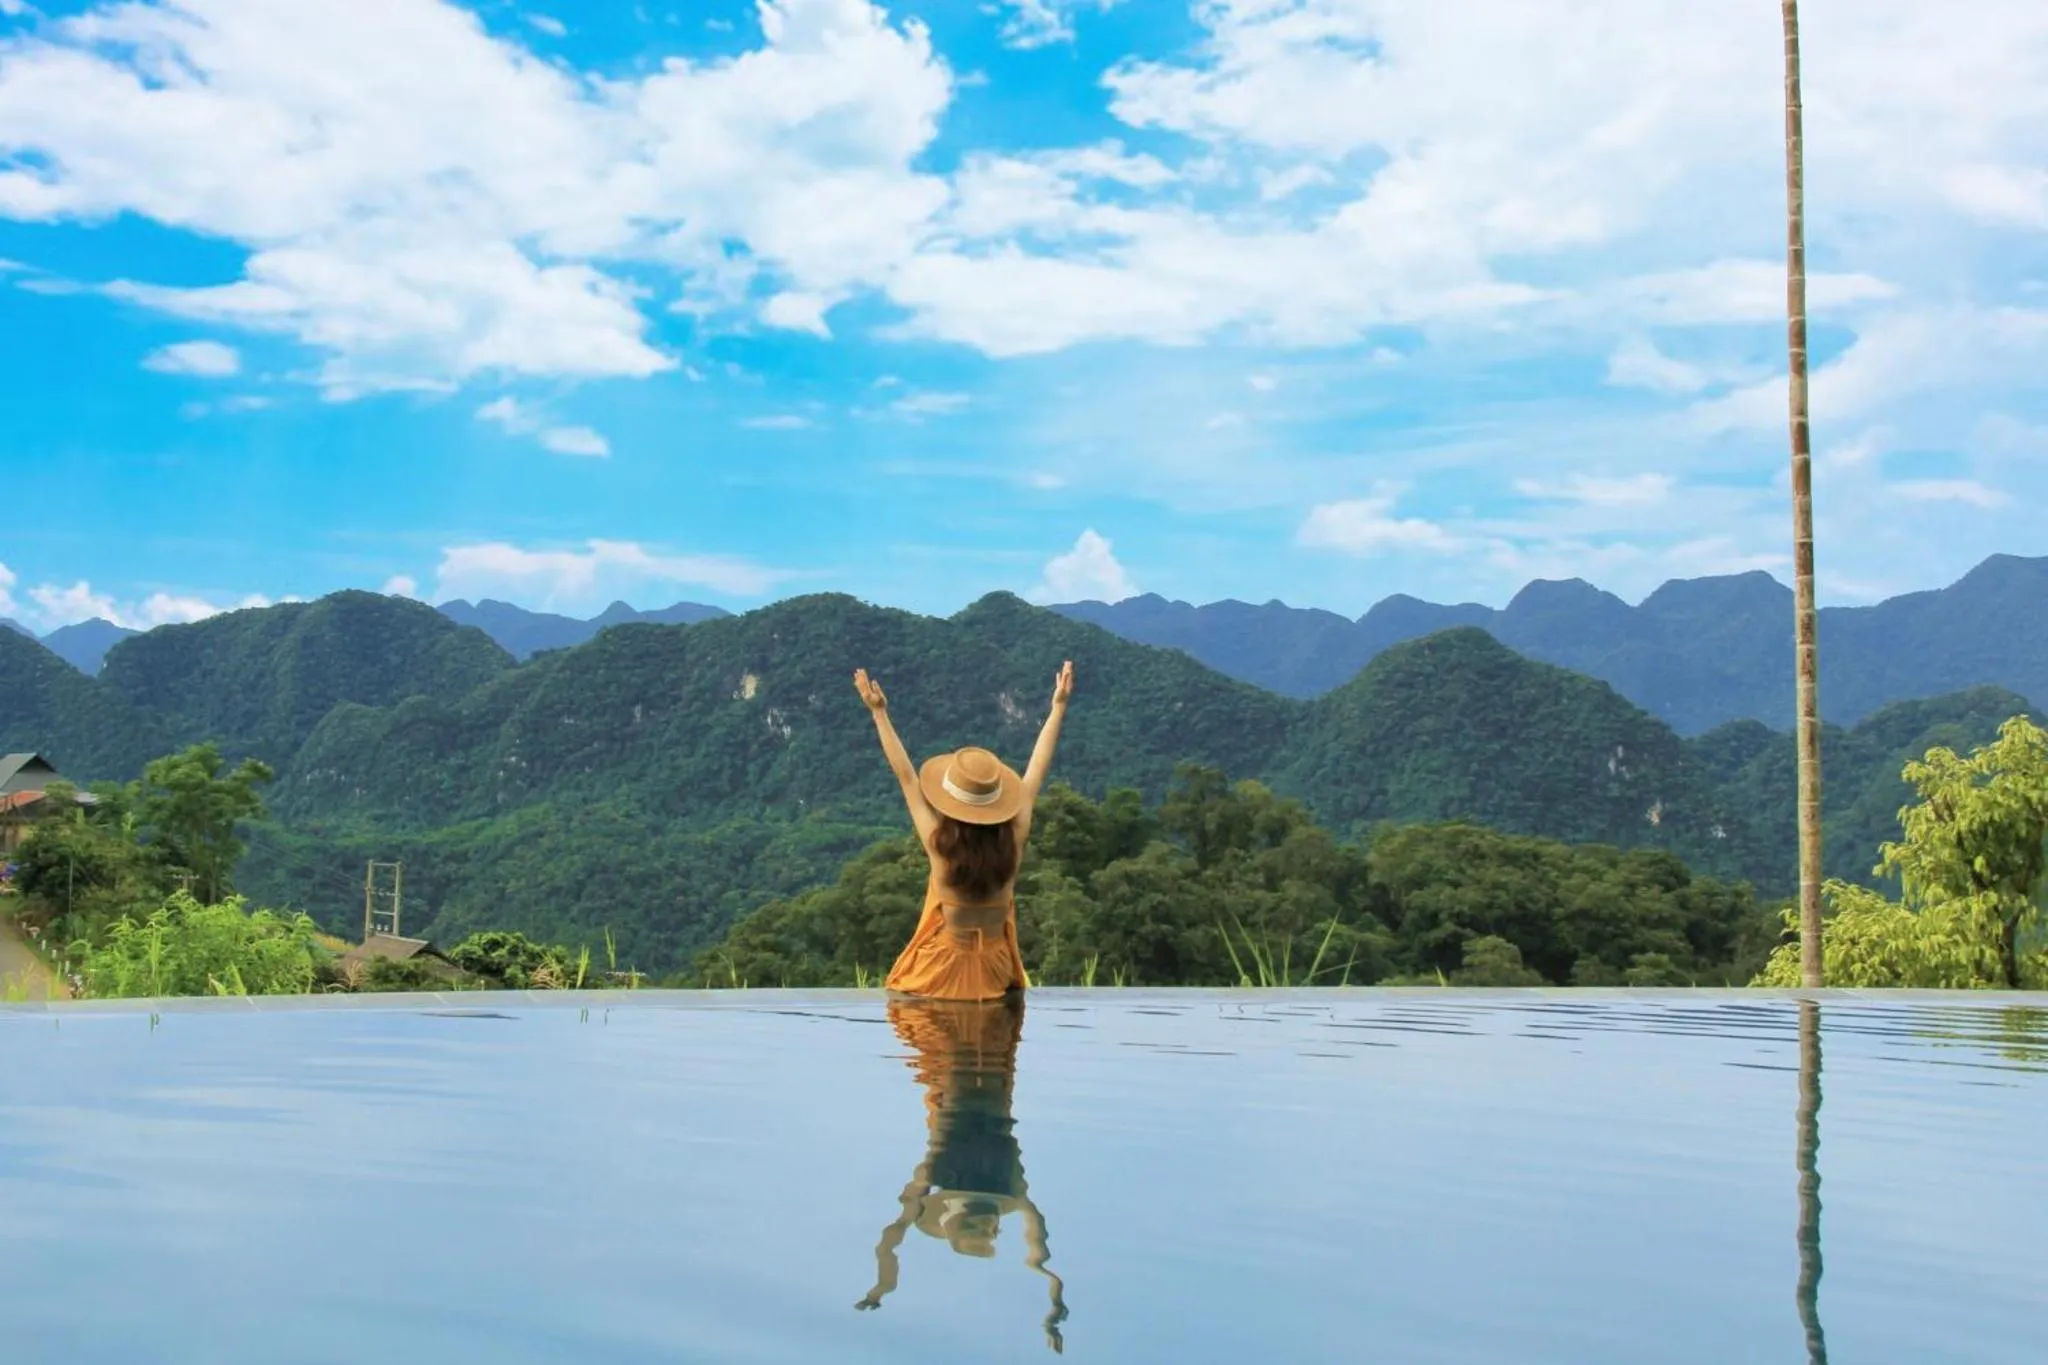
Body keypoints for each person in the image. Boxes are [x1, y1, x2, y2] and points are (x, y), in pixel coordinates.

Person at [855, 995, 1069, 1353]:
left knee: (969, 1016)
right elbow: (1038, 1251)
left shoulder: (952, 1174)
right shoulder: (1001, 1185)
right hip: (985, 1078)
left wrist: (881, 1287)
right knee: (978, 1013)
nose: (990, 1227)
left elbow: (893, 1236)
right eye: (988, 1229)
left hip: (976, 1077)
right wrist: (1053, 1306)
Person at [852, 659, 1073, 1001]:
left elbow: (907, 776)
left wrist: (878, 713)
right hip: (994, 969)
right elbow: (1035, 771)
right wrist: (1058, 708)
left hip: (939, 972)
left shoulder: (939, 846)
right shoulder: (1013, 841)